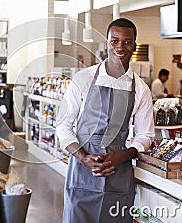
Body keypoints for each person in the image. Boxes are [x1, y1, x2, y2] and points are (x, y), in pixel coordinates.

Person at [56, 18, 155, 223]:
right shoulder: (83, 78)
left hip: (119, 174)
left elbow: (146, 135)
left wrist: (121, 156)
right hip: (82, 172)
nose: (120, 47)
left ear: (134, 45)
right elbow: (63, 125)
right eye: (114, 41)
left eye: (127, 42)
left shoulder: (141, 89)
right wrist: (83, 158)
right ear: (107, 43)